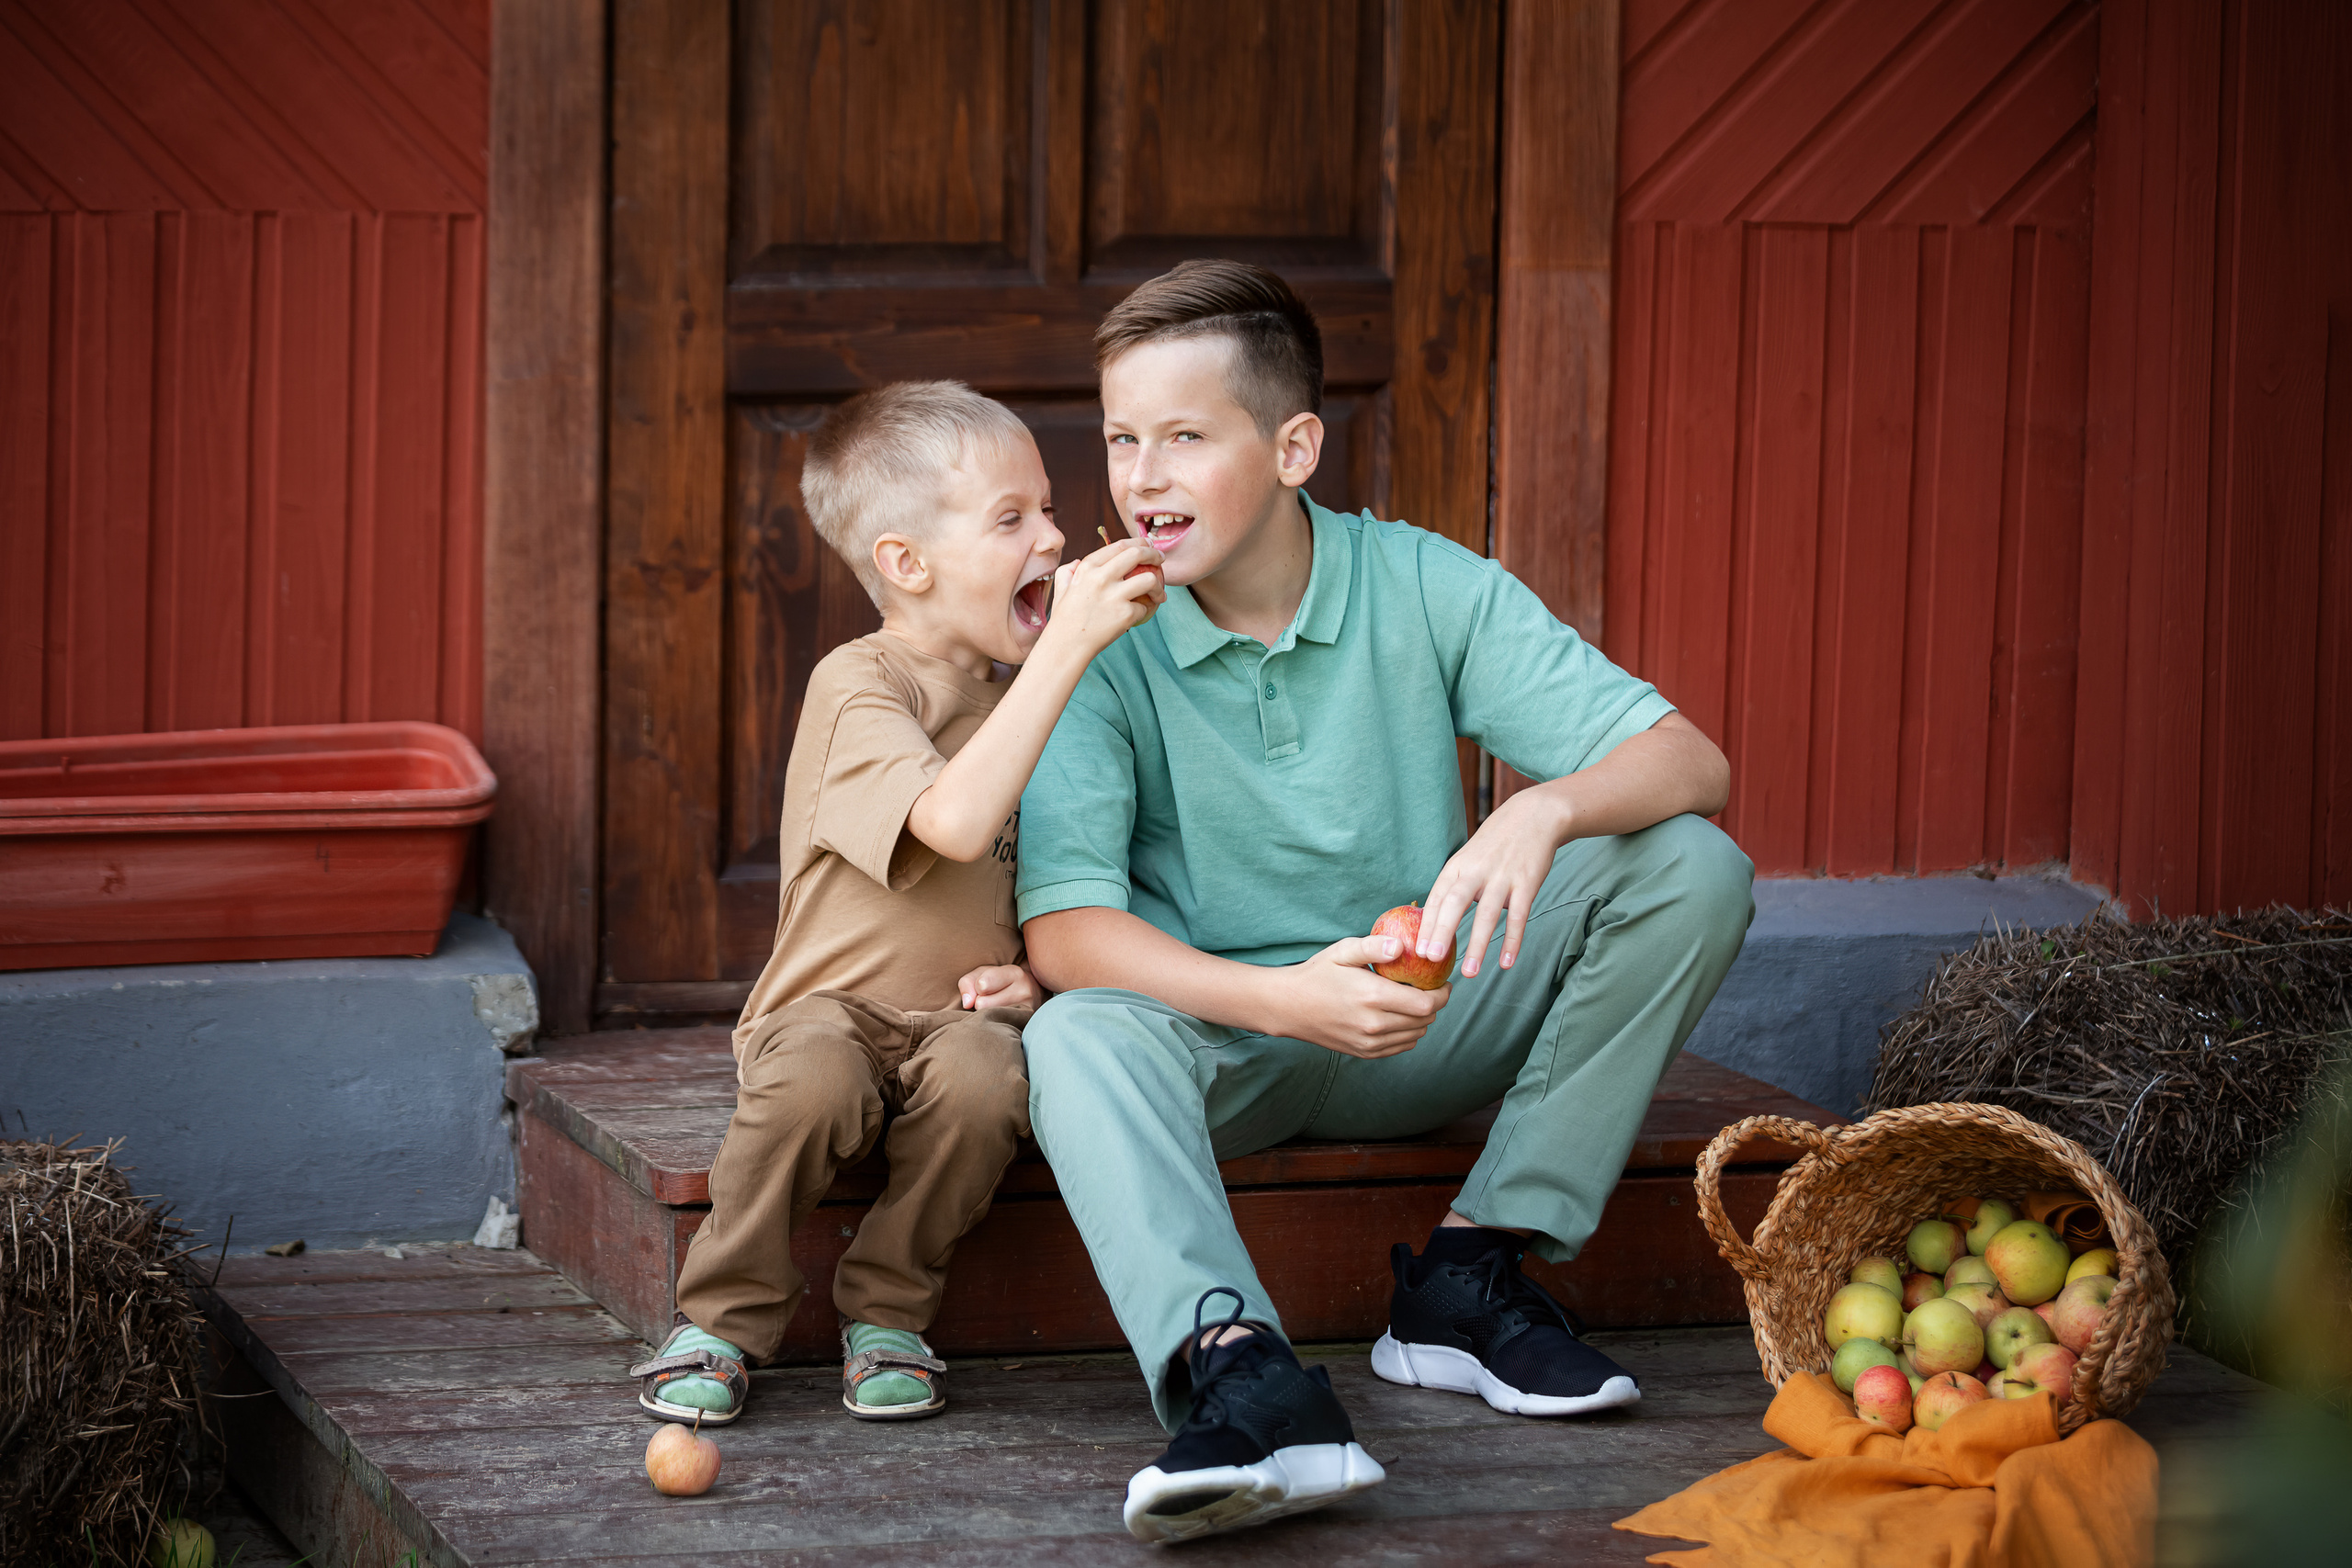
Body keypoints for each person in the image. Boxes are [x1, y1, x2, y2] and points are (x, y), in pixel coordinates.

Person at [1013, 261, 1755, 1542]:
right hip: (1224, 1045)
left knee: (1691, 862)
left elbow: (1692, 760)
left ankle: (1471, 1270)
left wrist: (1542, 808)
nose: (1142, 478)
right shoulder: (1100, 635)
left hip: (1423, 1017)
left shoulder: (1421, 582)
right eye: (1123, 439)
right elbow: (1064, 932)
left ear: (1294, 448)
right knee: (1073, 1030)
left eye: (1186, 437)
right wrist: (1281, 999)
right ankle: (1242, 1373)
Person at [630, 380, 1164, 1426]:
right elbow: (954, 824)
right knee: (814, 1082)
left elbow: (1058, 869)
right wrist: (1068, 646)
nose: (1055, 536)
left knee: (988, 1082)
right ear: (907, 564)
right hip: (824, 1013)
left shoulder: (1044, 696)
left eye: (1049, 508)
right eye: (1010, 519)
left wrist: (1035, 977)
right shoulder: (861, 683)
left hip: (956, 1020)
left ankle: (887, 1311)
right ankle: (723, 1317)